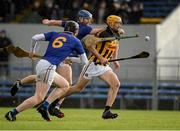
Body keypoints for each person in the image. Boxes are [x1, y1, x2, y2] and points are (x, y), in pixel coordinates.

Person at [10, 9, 104, 118]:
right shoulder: (83, 30)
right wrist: (110, 29)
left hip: (49, 61)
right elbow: (97, 32)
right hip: (63, 60)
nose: (89, 21)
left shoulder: (61, 29)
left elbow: (57, 23)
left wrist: (49, 22)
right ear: (81, 19)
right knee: (65, 85)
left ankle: (21, 83)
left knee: (47, 78)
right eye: (87, 18)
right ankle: (54, 106)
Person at [40, 15, 122, 120]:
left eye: (120, 23)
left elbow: (116, 45)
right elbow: (89, 45)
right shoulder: (103, 34)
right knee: (78, 88)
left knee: (116, 84)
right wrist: (101, 57)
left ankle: (107, 111)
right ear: (110, 23)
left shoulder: (117, 33)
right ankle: (52, 102)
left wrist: (116, 59)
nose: (119, 25)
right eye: (117, 23)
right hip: (93, 64)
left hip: (104, 66)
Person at [5, 21, 88, 121]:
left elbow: (34, 38)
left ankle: (45, 105)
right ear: (76, 31)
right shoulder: (75, 41)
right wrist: (71, 59)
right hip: (49, 66)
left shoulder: (54, 34)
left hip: (43, 64)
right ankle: (12, 113)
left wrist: (32, 51)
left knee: (65, 85)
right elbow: (84, 61)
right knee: (38, 97)